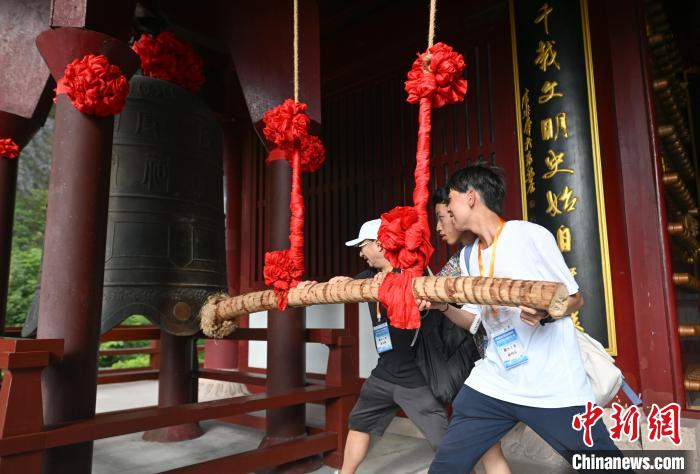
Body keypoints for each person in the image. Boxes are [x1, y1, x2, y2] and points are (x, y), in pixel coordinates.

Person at [426, 164, 625, 473]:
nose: (447, 209)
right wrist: (441, 306)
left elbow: (574, 298)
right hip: (496, 380)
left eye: (450, 200)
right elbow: (475, 320)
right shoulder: (468, 257)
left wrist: (546, 312)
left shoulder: (528, 236)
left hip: (552, 384)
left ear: (470, 197)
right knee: (447, 464)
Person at [300, 218, 449, 474]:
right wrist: (317, 287)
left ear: (380, 244)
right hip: (383, 373)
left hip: (415, 378)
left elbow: (434, 309)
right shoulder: (369, 277)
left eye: (363, 245)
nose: (360, 252)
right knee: (358, 423)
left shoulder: (414, 273)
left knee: (444, 442)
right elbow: (348, 285)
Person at [429, 185, 511, 474]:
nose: (439, 226)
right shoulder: (460, 261)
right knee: (485, 448)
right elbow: (431, 292)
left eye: (443, 216)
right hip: (494, 366)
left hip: (520, 365)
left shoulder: (505, 243)